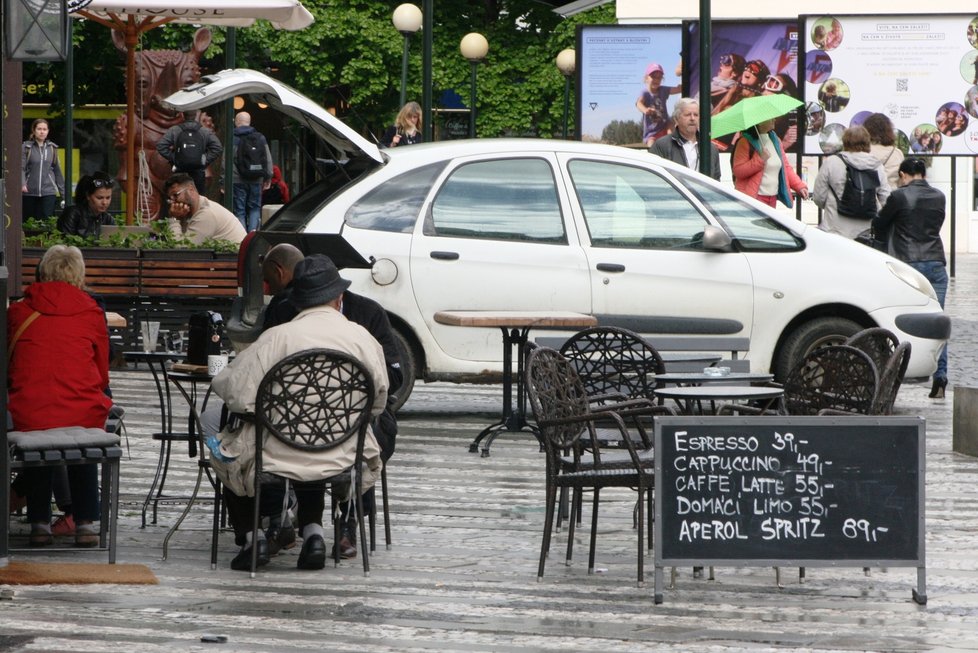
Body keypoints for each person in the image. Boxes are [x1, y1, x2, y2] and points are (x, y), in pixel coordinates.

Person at [207, 254, 389, 571]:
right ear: (338, 297)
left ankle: (253, 538)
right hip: (344, 455)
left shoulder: (275, 338)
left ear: (298, 301)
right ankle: (314, 534)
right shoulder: (362, 338)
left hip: (277, 455)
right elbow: (379, 402)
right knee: (314, 447)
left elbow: (234, 393)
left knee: (224, 447)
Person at [256, 244, 402, 558]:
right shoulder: (283, 312)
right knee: (294, 435)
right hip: (295, 416)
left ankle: (348, 523)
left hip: (358, 416)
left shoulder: (367, 314)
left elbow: (393, 377)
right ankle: (294, 523)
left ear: (339, 297)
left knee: (373, 431)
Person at [8, 245, 112, 548]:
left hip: (29, 411)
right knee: (83, 424)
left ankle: (39, 523)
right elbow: (101, 372)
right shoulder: (92, 312)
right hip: (80, 409)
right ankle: (85, 523)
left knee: (40, 423)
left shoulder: (17, 312)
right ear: (79, 275)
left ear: (42, 271)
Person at [872, 157, 948, 398]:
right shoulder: (939, 196)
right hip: (936, 263)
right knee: (937, 324)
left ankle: (892, 377)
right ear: (923, 174)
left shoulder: (899, 196)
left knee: (897, 320)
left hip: (907, 266)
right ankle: (941, 377)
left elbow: (880, 224)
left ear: (904, 175)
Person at [812, 126, 890, 239]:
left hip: (834, 229)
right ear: (868, 142)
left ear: (845, 142)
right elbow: (886, 199)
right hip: (865, 232)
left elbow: (819, 198)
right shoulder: (877, 166)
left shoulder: (832, 162)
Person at [731, 118, 809, 208]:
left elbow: (785, 168)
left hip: (772, 198)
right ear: (759, 123)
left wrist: (800, 186)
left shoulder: (775, 140)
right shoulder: (744, 142)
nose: (774, 120)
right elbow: (738, 171)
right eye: (770, 118)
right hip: (753, 199)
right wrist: (761, 159)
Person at [164, 172, 246, 245]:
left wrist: (174, 218)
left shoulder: (207, 214)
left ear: (191, 189)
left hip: (232, 259)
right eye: (169, 198)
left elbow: (181, 249)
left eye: (175, 195)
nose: (172, 202)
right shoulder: (193, 210)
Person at [649, 98, 721, 180]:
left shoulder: (711, 148)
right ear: (676, 119)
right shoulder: (662, 145)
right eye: (687, 115)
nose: (692, 118)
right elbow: (652, 179)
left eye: (696, 115)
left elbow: (716, 180)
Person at [156, 110, 223, 195]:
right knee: (198, 198)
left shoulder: (175, 130)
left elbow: (161, 145)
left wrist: (174, 158)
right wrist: (204, 159)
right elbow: (217, 147)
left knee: (180, 197)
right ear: (195, 116)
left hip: (180, 170)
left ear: (183, 116)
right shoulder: (204, 131)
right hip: (198, 170)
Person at [231, 112, 273, 232]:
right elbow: (268, 158)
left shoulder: (233, 138)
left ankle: (242, 238)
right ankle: (253, 235)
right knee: (255, 208)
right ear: (249, 122)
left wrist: (225, 180)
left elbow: (227, 160)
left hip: (238, 179)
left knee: (239, 210)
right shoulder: (260, 137)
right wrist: (268, 176)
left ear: (236, 122)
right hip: (256, 178)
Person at [22, 118, 66, 221]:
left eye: (44, 129)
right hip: (29, 192)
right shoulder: (26, 147)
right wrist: (23, 184)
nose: (42, 132)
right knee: (29, 221)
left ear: (48, 131)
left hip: (48, 192)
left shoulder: (52, 148)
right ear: (34, 130)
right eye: (39, 129)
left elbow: (57, 171)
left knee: (47, 220)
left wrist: (64, 195)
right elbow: (21, 168)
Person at [56, 172, 115, 238]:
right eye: (99, 198)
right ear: (88, 196)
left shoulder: (108, 219)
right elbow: (65, 242)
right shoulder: (73, 214)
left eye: (108, 197)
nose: (104, 202)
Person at [635, 63, 681, 146]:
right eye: (653, 77)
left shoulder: (663, 90)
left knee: (671, 124)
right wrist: (645, 110)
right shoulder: (645, 93)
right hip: (652, 133)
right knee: (652, 147)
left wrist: (683, 83)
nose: (656, 79)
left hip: (664, 126)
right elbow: (639, 103)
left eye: (659, 77)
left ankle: (672, 145)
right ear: (646, 78)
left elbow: (677, 89)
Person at [863, 113, 904, 189]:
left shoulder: (864, 151)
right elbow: (901, 180)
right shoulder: (897, 153)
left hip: (869, 196)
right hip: (891, 196)